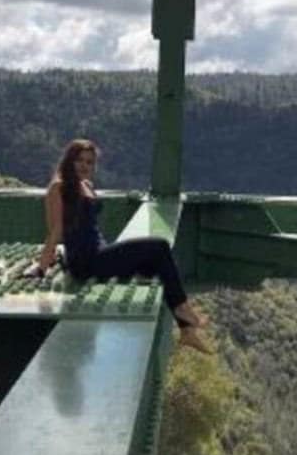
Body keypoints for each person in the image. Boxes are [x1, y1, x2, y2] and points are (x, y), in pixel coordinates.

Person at [35, 139, 211, 353]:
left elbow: (89, 227)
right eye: (79, 160)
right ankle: (183, 310)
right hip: (86, 261)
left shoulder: (86, 185)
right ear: (68, 161)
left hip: (99, 250)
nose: (84, 166)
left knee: (155, 265)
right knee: (159, 247)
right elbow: (55, 230)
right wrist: (41, 268)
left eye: (90, 162)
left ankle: (186, 331)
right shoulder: (58, 187)